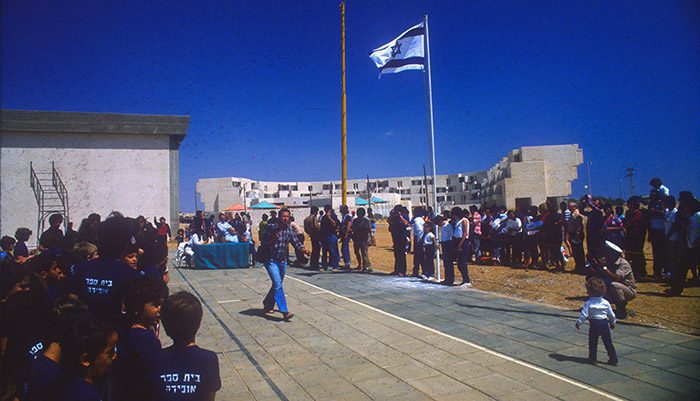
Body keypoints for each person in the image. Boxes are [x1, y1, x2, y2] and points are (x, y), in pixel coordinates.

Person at [150, 291, 221, 400]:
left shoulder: (155, 359)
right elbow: (209, 397)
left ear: (166, 326)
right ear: (198, 323)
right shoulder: (208, 359)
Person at [260, 209, 310, 321]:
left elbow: (295, 242)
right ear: (279, 217)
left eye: (287, 216)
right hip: (270, 260)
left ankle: (267, 304)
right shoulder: (271, 227)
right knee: (277, 284)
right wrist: (276, 232)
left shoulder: (288, 230)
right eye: (283, 216)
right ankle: (284, 311)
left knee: (276, 284)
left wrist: (303, 249)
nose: (285, 218)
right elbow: (266, 240)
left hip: (282, 261)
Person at [58, 318, 118, 401]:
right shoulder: (80, 395)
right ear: (86, 359)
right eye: (110, 353)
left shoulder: (98, 384)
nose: (115, 356)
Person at [575, 277, 618, 366]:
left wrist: (579, 322)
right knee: (607, 342)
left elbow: (584, 314)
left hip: (594, 323)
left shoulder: (589, 303)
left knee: (593, 342)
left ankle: (592, 358)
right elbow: (611, 314)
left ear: (590, 292)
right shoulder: (606, 303)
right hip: (604, 323)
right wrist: (612, 322)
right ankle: (613, 358)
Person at [589, 241, 636, 319]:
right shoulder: (609, 261)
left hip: (628, 290)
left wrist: (605, 268)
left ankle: (621, 310)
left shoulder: (623, 264)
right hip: (613, 288)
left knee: (614, 285)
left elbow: (617, 278)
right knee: (598, 284)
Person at [623, 197, 647, 279]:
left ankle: (641, 272)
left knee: (638, 254)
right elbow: (626, 223)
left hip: (637, 236)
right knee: (630, 254)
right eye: (629, 204)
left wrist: (629, 224)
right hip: (629, 236)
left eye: (632, 204)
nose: (630, 206)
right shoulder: (628, 213)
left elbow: (633, 223)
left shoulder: (639, 213)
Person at [450, 207, 471, 287]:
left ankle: (467, 280)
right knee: (459, 263)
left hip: (463, 241)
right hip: (457, 240)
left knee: (462, 262)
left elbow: (465, 233)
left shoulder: (464, 220)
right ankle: (464, 279)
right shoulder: (458, 221)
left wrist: (460, 244)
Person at [565, 201, 586, 273]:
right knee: (575, 252)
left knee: (579, 251)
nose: (568, 208)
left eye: (570, 206)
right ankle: (578, 266)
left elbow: (580, 225)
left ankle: (581, 267)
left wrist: (577, 234)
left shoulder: (577, 214)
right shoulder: (572, 214)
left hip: (577, 235)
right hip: (573, 234)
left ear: (574, 207)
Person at [388, 206, 409, 276]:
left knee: (402, 254)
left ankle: (403, 271)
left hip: (402, 237)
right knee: (396, 254)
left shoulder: (404, 215)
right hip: (395, 236)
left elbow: (406, 223)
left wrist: (400, 216)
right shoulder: (394, 216)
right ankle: (397, 269)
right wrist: (392, 215)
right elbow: (389, 221)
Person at [350, 207, 372, 272]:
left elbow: (369, 229)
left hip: (363, 238)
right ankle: (360, 264)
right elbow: (353, 228)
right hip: (357, 238)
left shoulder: (366, 220)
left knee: (364, 253)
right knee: (357, 252)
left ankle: (367, 266)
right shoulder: (356, 220)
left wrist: (371, 237)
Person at [320, 205, 340, 271]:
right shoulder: (323, 218)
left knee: (333, 251)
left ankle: (335, 266)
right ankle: (324, 266)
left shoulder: (333, 216)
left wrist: (329, 217)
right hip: (324, 236)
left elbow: (335, 224)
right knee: (324, 252)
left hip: (332, 235)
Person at [411, 208, 426, 277]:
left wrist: (419, 240)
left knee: (418, 256)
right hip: (419, 238)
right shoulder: (421, 219)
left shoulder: (417, 220)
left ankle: (417, 271)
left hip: (418, 239)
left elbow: (419, 230)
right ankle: (419, 270)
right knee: (419, 256)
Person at [339, 205, 353, 269]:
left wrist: (346, 234)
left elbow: (349, 225)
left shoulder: (347, 217)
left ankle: (347, 263)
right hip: (343, 234)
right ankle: (347, 262)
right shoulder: (344, 216)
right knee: (344, 248)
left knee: (344, 249)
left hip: (346, 234)